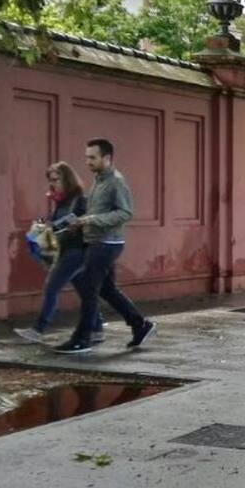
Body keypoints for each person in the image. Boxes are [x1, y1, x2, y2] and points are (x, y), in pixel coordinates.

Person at [51, 139, 157, 354]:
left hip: (107, 243)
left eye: (92, 157)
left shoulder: (116, 182)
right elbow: (96, 213)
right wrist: (79, 223)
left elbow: (125, 213)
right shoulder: (99, 180)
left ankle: (82, 339)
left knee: (89, 288)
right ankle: (140, 325)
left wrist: (91, 220)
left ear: (107, 158)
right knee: (106, 289)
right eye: (87, 157)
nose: (87, 161)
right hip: (96, 241)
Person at [17, 161, 103, 343]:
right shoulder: (61, 201)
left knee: (52, 287)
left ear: (67, 179)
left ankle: (38, 330)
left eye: (56, 179)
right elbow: (54, 224)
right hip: (65, 250)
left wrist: (77, 224)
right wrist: (43, 227)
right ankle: (97, 328)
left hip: (78, 251)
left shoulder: (80, 199)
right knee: (85, 292)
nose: (53, 184)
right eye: (51, 180)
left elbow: (91, 222)